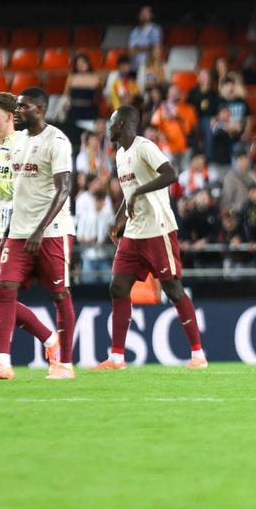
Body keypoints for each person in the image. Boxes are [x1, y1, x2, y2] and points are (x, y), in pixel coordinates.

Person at [0, 88, 76, 381]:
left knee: (59, 293)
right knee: (3, 288)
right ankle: (2, 362)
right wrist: (7, 232)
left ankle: (64, 362)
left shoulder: (57, 141)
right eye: (16, 107)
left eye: (23, 107)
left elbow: (64, 189)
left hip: (52, 232)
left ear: (40, 109)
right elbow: (18, 193)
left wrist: (40, 230)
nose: (18, 111)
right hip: (17, 232)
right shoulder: (17, 145)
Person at [92, 106, 206, 370]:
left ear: (122, 124)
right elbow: (129, 192)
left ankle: (198, 354)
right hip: (134, 231)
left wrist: (138, 193)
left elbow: (171, 174)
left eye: (111, 122)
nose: (108, 127)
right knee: (117, 287)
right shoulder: (120, 155)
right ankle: (117, 357)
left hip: (158, 228)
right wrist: (118, 218)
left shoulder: (145, 147)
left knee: (173, 289)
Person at [63, 53, 101, 127]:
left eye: (83, 62)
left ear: (88, 63)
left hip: (89, 111)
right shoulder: (71, 77)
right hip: (73, 110)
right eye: (78, 63)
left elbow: (99, 97)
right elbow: (66, 94)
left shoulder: (95, 78)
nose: (81, 65)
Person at [128, 5, 162, 70]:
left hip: (149, 66)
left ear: (151, 15)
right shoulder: (134, 31)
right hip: (135, 66)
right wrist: (148, 48)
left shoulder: (156, 30)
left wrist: (137, 48)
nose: (144, 15)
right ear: (139, 15)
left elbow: (156, 50)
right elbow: (130, 51)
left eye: (146, 13)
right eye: (142, 13)